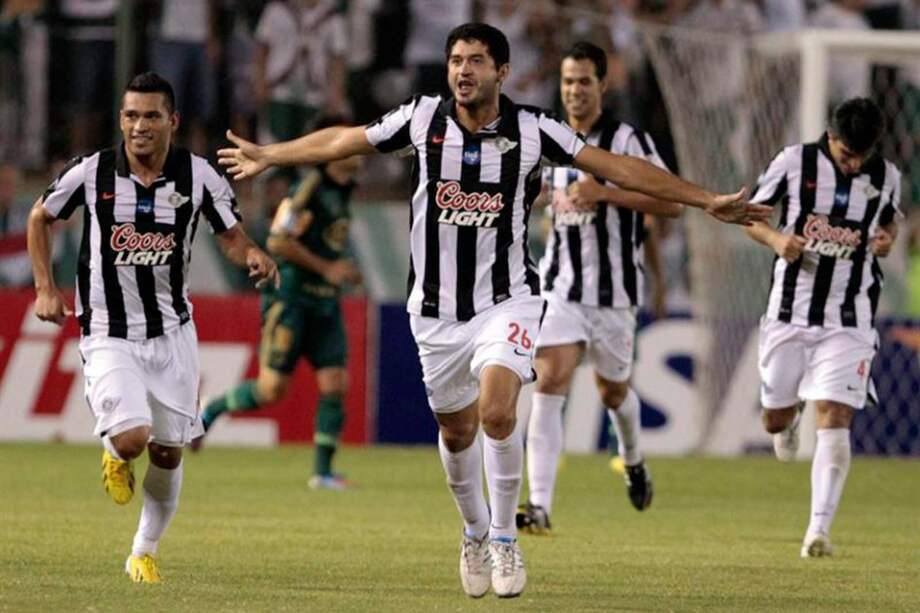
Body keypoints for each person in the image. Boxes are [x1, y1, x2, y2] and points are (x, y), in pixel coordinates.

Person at [217, 22, 770, 599]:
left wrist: (706, 199)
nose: (463, 70)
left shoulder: (534, 129)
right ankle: (475, 532)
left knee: (499, 412)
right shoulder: (422, 119)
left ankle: (506, 537)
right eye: (456, 59)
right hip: (435, 311)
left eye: (476, 60)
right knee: (456, 431)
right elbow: (344, 141)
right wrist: (272, 155)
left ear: (502, 72)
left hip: (507, 299)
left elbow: (615, 166)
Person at [26, 72, 278, 583]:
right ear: (121, 120)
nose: (139, 126)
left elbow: (230, 236)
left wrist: (252, 253)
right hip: (108, 331)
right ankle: (115, 451)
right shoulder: (92, 172)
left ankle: (143, 551)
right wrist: (45, 288)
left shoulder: (199, 176)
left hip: (172, 332)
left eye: (151, 116)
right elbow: (40, 217)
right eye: (131, 116)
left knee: (167, 451)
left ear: (173, 121)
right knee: (133, 439)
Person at [516, 41, 682, 535]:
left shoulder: (627, 140)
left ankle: (632, 458)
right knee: (549, 381)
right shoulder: (549, 137)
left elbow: (671, 203)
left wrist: (605, 192)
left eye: (584, 81)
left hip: (615, 293)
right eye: (568, 81)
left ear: (602, 85)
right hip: (560, 287)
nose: (575, 90)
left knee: (613, 392)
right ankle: (539, 506)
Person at [745, 97, 902, 558]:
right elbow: (751, 216)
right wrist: (776, 239)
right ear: (830, 138)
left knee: (835, 416)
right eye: (847, 154)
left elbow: (889, 224)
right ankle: (787, 417)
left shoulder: (886, 176)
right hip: (789, 312)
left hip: (849, 317)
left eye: (862, 156)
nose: (854, 165)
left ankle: (818, 531)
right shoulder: (794, 163)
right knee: (774, 417)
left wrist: (886, 240)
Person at [193, 116, 362, 492]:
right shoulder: (309, 188)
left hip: (325, 302)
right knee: (272, 390)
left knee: (335, 383)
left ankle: (323, 473)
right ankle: (211, 408)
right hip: (292, 299)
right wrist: (327, 268)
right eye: (350, 137)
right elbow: (278, 241)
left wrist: (340, 270)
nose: (359, 146)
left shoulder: (344, 188)